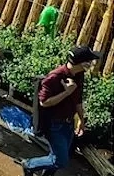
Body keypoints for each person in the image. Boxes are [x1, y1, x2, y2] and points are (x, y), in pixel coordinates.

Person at [21, 46, 101, 176]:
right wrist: (67, 92)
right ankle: (29, 165)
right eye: (89, 61)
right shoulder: (55, 76)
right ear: (82, 63)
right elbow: (44, 102)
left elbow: (78, 99)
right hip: (54, 124)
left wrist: (81, 120)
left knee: (57, 156)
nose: (91, 63)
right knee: (60, 161)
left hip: (68, 123)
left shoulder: (79, 74)